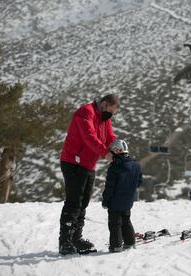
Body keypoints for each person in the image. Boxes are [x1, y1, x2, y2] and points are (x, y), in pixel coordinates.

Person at [59, 94, 119, 255]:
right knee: (74, 202)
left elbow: (110, 137)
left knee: (84, 201)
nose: (111, 115)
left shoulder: (105, 117)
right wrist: (105, 153)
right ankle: (65, 242)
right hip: (73, 161)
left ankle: (76, 238)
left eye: (114, 113)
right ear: (104, 103)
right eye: (111, 111)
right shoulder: (86, 112)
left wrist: (116, 148)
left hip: (88, 163)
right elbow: (89, 137)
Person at [102, 139, 143, 253]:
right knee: (126, 221)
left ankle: (116, 246)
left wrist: (105, 200)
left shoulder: (114, 167)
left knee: (115, 223)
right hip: (128, 200)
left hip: (115, 201)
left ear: (116, 150)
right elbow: (139, 182)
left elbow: (109, 186)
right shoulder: (136, 165)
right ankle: (130, 242)